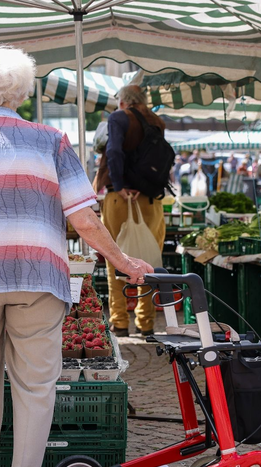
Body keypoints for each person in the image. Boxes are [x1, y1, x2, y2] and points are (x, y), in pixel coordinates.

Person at [0, 44, 152, 467]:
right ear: (23, 92)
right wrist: (121, 260)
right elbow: (84, 218)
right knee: (35, 388)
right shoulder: (52, 142)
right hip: (38, 276)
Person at [93, 84, 167, 337]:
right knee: (148, 261)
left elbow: (113, 151)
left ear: (122, 102)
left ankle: (120, 322)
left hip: (118, 199)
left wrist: (121, 183)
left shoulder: (118, 118)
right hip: (150, 200)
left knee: (116, 259)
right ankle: (146, 324)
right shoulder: (156, 121)